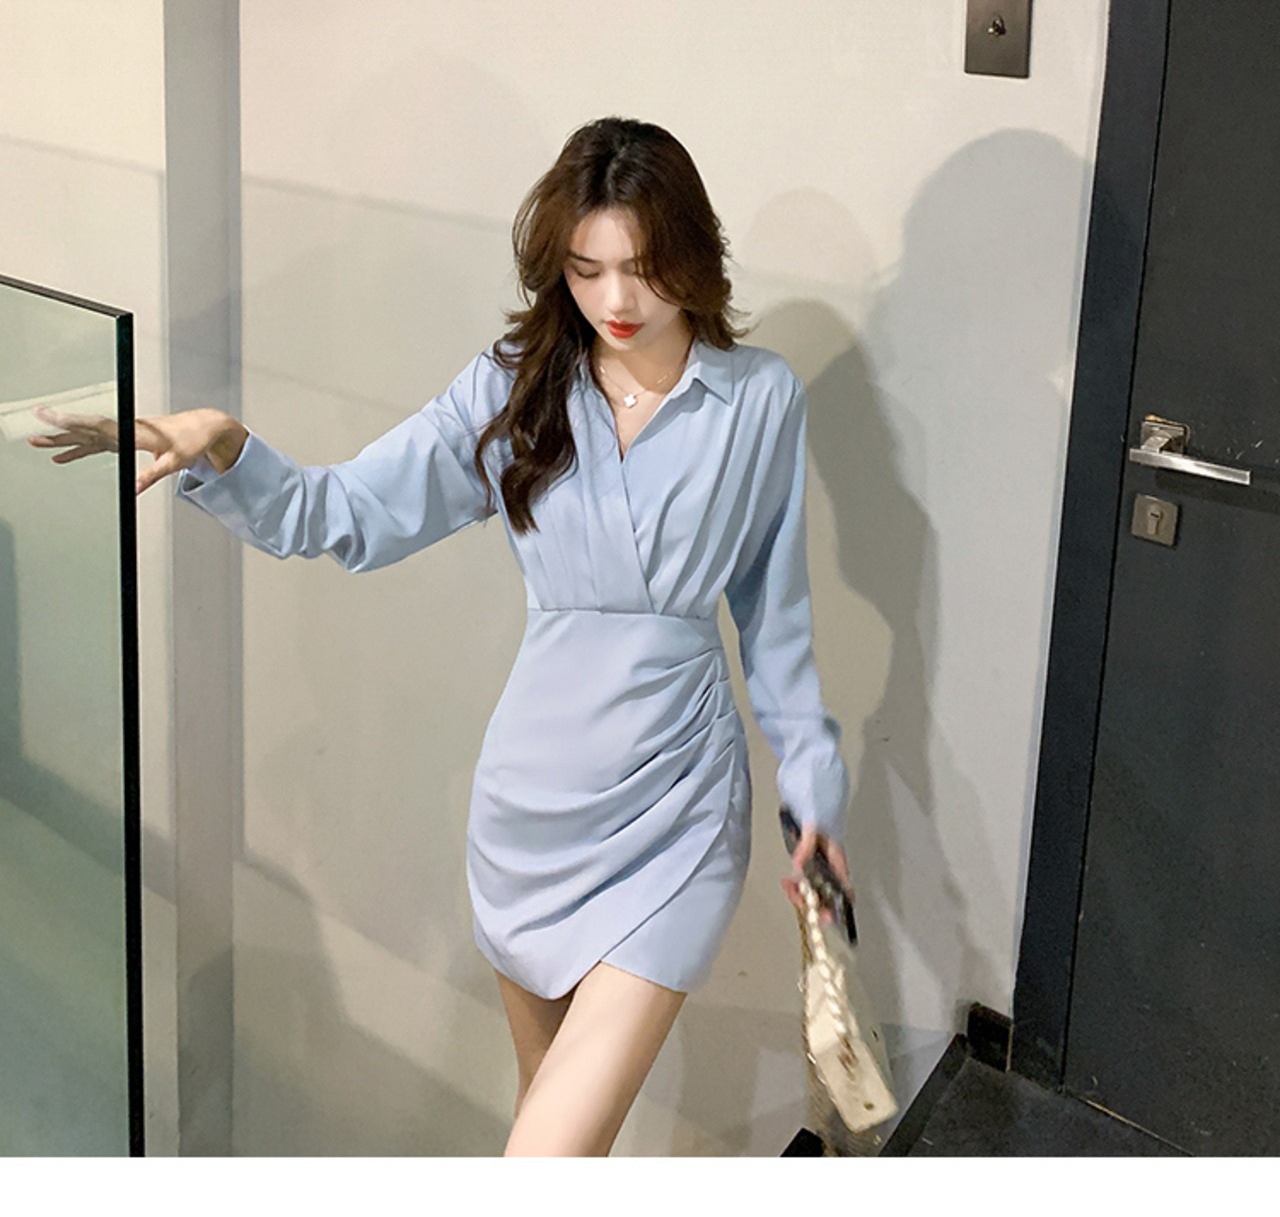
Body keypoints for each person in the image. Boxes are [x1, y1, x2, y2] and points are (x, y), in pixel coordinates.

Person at [29, 117, 854, 1158]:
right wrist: (225, 448)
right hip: (532, 812)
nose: (614, 299)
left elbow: (776, 620)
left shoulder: (758, 399)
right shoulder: (514, 386)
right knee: (552, 1142)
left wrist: (811, 788)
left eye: (642, 269)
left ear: (690, 256)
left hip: (675, 810)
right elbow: (345, 514)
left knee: (541, 1159)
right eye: (586, 270)